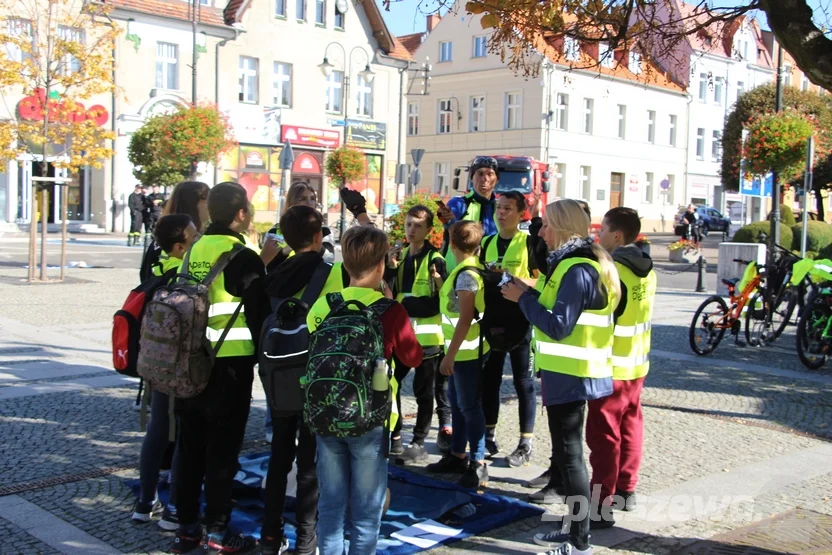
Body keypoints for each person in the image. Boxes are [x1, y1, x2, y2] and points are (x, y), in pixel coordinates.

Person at [501, 199, 619, 555]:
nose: (541, 232)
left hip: (573, 375)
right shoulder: (574, 265)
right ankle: (575, 531)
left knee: (570, 457)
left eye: (547, 225)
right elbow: (560, 312)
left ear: (564, 228)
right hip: (569, 374)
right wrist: (529, 292)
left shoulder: (576, 268)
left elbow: (558, 325)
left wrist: (523, 298)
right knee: (568, 456)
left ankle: (579, 540)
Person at [306, 225, 423, 555]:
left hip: (325, 414)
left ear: (346, 266)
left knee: (330, 506)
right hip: (372, 418)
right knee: (366, 512)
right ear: (382, 265)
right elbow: (412, 357)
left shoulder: (324, 306)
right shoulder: (390, 311)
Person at [171, 182, 270, 554]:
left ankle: (185, 530)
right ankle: (218, 531)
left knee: (190, 447)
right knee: (222, 452)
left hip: (187, 361)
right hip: (229, 367)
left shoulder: (195, 248)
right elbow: (261, 316)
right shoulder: (243, 254)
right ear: (241, 214)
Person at [260, 205, 349, 555]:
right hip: (317, 377)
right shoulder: (333, 271)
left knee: (279, 457)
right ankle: (306, 540)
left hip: (278, 375)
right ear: (318, 237)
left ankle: (269, 535)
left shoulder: (273, 273)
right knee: (310, 464)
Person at [589, 207, 656, 526]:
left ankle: (600, 508)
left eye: (601, 230)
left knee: (603, 439)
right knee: (631, 427)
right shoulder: (648, 268)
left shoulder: (614, 271)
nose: (597, 235)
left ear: (617, 235)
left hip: (611, 367)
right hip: (636, 365)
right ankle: (626, 490)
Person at [131, 214, 197, 531]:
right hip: (177, 367)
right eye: (193, 235)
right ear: (178, 246)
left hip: (154, 363)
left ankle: (145, 502)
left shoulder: (156, 270)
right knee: (182, 433)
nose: (198, 238)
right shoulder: (181, 276)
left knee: (157, 432)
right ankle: (173, 510)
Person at [427, 221, 490, 490]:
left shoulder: (467, 275)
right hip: (464, 350)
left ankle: (478, 461)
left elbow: (465, 319)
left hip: (466, 353)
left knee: (469, 407)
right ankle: (458, 455)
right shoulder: (464, 271)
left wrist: (449, 357)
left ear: (451, 244)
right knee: (459, 405)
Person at [479, 191, 540, 467]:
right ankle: (488, 435)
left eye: (508, 209)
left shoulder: (528, 243)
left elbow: (542, 281)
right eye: (499, 208)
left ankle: (525, 443)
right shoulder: (487, 242)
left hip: (522, 322)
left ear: (520, 214)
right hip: (492, 321)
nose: (501, 213)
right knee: (489, 381)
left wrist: (514, 278)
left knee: (523, 383)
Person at [387, 204, 452, 462]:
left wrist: (406, 303)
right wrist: (390, 269)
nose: (411, 230)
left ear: (428, 230)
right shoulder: (398, 256)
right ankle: (395, 435)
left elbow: (439, 301)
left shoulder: (436, 259)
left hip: (427, 339)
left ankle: (419, 441)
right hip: (401, 336)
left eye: (417, 226)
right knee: (389, 384)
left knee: (424, 392)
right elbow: (388, 295)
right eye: (408, 224)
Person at [436, 157, 499, 271]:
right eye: (479, 174)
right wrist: (447, 219)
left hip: (490, 274)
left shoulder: (500, 208)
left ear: (497, 179)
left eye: (490, 174)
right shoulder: (459, 203)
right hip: (457, 271)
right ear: (472, 178)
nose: (484, 179)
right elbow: (448, 219)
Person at [140, 181, 210, 283]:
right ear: (195, 203)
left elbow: (145, 276)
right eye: (208, 200)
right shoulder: (195, 239)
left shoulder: (162, 236)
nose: (210, 207)